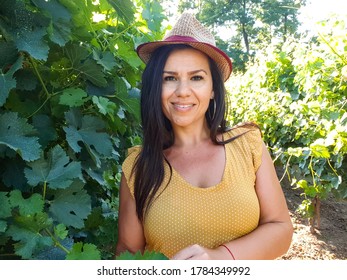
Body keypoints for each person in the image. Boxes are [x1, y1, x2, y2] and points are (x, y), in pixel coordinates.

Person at [115, 12, 293, 260]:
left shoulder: (248, 144)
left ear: (212, 89)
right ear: (156, 87)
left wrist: (220, 258)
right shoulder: (138, 168)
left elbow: (281, 228)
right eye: (170, 78)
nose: (183, 91)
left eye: (196, 77)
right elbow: (128, 255)